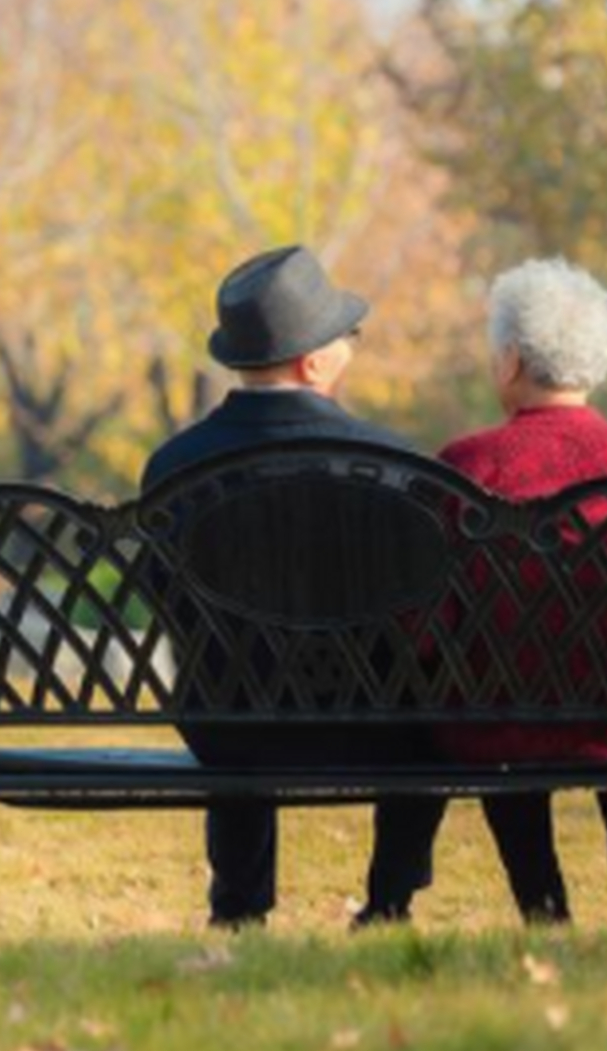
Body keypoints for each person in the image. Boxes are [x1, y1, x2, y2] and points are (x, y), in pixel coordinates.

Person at [361, 257, 607, 926]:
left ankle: (544, 910)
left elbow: (429, 623)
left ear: (509, 361)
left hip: (500, 722)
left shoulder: (466, 466)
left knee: (488, 694)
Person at [142, 244, 436, 930]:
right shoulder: (391, 462)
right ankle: (390, 900)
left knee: (228, 674)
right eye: (347, 338)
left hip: (228, 725)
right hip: (375, 721)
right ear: (313, 361)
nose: (351, 348)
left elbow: (168, 600)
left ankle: (240, 906)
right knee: (433, 711)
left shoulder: (174, 465)